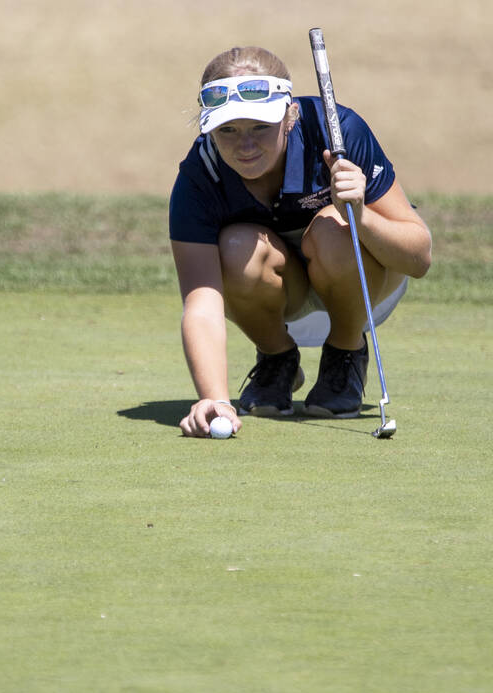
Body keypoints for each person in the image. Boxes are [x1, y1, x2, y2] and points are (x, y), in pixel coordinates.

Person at [169, 46, 432, 438]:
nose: (245, 146)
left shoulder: (338, 131)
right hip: (277, 294)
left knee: (331, 228)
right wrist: (214, 397)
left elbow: (419, 257)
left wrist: (360, 217)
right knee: (238, 246)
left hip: (365, 282)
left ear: (290, 115)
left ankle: (345, 355)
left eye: (260, 127)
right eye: (228, 130)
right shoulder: (200, 174)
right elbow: (203, 304)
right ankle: (278, 359)